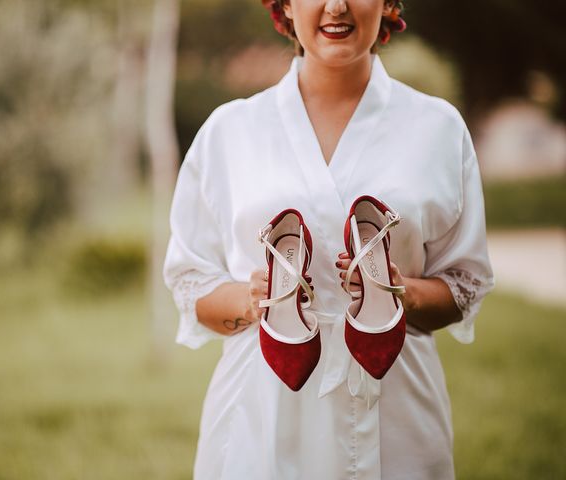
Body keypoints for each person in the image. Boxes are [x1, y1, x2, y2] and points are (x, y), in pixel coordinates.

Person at [162, 0, 495, 478]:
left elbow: (463, 284)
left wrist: (402, 294)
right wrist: (255, 299)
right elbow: (192, 282)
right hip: (263, 408)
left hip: (397, 411)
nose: (336, 5)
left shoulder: (438, 129)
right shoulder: (229, 131)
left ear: (388, 4)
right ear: (285, 5)